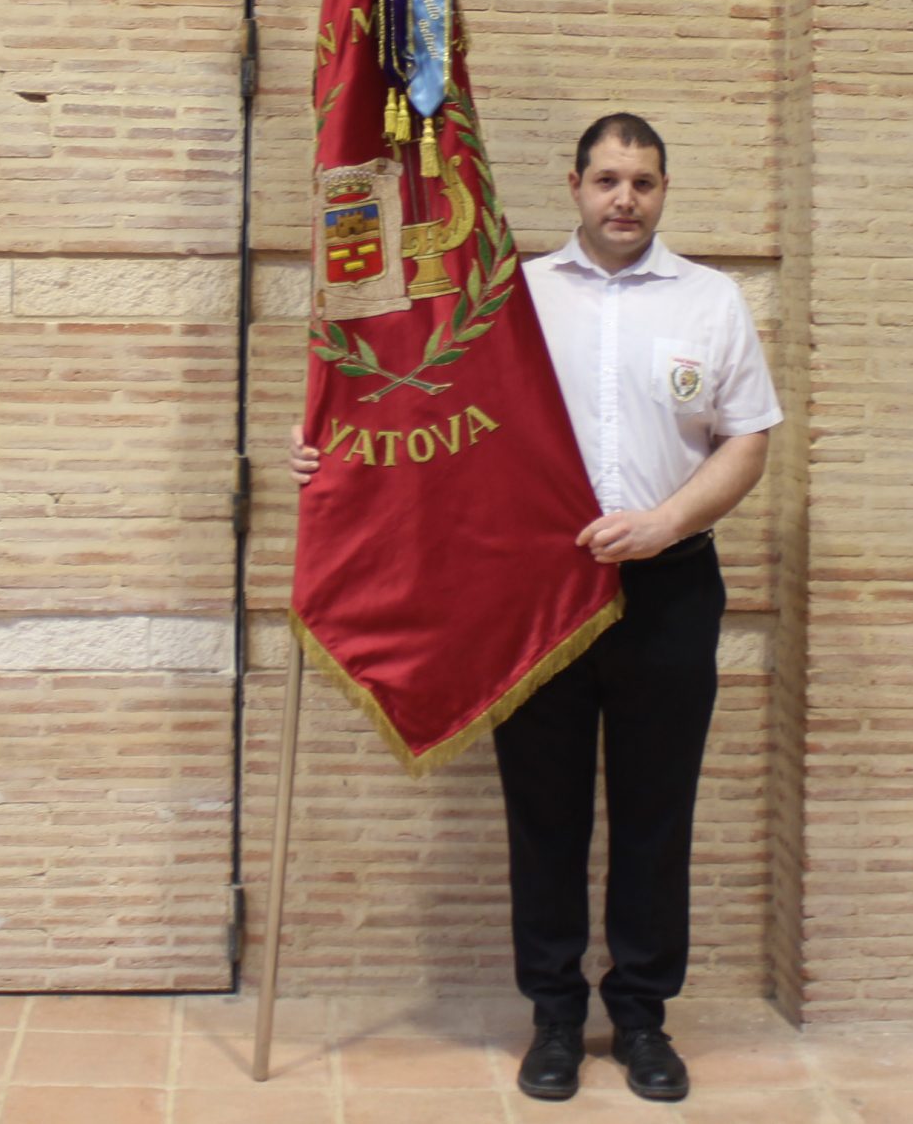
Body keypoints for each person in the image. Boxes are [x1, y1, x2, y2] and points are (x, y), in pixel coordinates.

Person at [292, 113, 779, 1103]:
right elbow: (423, 412)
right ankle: (553, 1017)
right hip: (537, 592)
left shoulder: (711, 300)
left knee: (656, 815)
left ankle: (641, 1019)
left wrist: (665, 521)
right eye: (607, 179)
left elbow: (746, 438)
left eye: (643, 181)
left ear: (663, 190)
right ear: (574, 185)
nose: (624, 198)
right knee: (544, 814)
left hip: (669, 588)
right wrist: (339, 453)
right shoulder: (509, 298)